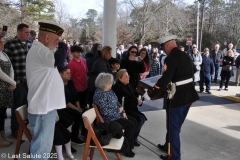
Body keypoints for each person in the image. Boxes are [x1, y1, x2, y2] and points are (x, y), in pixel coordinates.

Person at [148, 35, 199, 160]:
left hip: (177, 98)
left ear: (166, 46)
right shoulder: (185, 55)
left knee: (173, 128)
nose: (164, 51)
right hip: (189, 96)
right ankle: (168, 145)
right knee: (175, 125)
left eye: (163, 48)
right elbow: (194, 70)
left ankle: (174, 156)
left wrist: (152, 92)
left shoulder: (170, 59)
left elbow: (165, 79)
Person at [26, 20, 66, 159]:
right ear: (47, 38)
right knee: (41, 150)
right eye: (56, 40)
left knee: (44, 148)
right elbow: (59, 61)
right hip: (43, 108)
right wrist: (64, 46)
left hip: (46, 106)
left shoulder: (43, 51)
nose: (57, 43)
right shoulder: (39, 50)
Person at [93, 73, 136, 158]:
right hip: (109, 119)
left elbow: (117, 102)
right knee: (130, 125)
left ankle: (127, 145)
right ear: (105, 83)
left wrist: (123, 111)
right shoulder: (100, 95)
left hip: (117, 115)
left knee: (133, 121)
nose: (112, 84)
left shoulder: (109, 91)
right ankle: (127, 149)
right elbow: (105, 112)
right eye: (110, 82)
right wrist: (118, 111)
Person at [3, 23, 31, 138]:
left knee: (27, 105)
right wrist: (13, 80)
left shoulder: (29, 44)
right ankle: (15, 129)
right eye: (26, 32)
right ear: (19, 32)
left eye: (29, 33)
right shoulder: (10, 44)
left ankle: (24, 128)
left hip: (28, 81)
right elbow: (6, 64)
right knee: (17, 106)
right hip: (18, 81)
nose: (28, 35)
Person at [112, 69, 147, 146]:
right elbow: (122, 103)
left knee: (142, 119)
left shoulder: (128, 85)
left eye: (128, 76)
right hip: (125, 110)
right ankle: (132, 138)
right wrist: (136, 102)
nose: (128, 78)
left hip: (131, 108)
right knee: (139, 119)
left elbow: (135, 96)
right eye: (126, 76)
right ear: (119, 78)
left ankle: (134, 137)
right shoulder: (117, 88)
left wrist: (140, 100)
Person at [58, 65, 85, 144]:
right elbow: (65, 102)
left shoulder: (70, 82)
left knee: (86, 111)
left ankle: (86, 134)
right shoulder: (59, 85)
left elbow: (76, 96)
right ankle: (74, 136)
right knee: (78, 115)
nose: (69, 75)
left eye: (70, 73)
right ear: (60, 74)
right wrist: (77, 109)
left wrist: (78, 106)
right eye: (67, 73)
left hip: (73, 105)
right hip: (64, 107)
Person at [0, 35, 15, 148]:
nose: (2, 44)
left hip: (7, 89)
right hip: (0, 88)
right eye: (0, 42)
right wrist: (13, 82)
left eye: (3, 42)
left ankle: (3, 135)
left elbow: (11, 69)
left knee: (2, 113)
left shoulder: (4, 54)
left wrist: (11, 82)